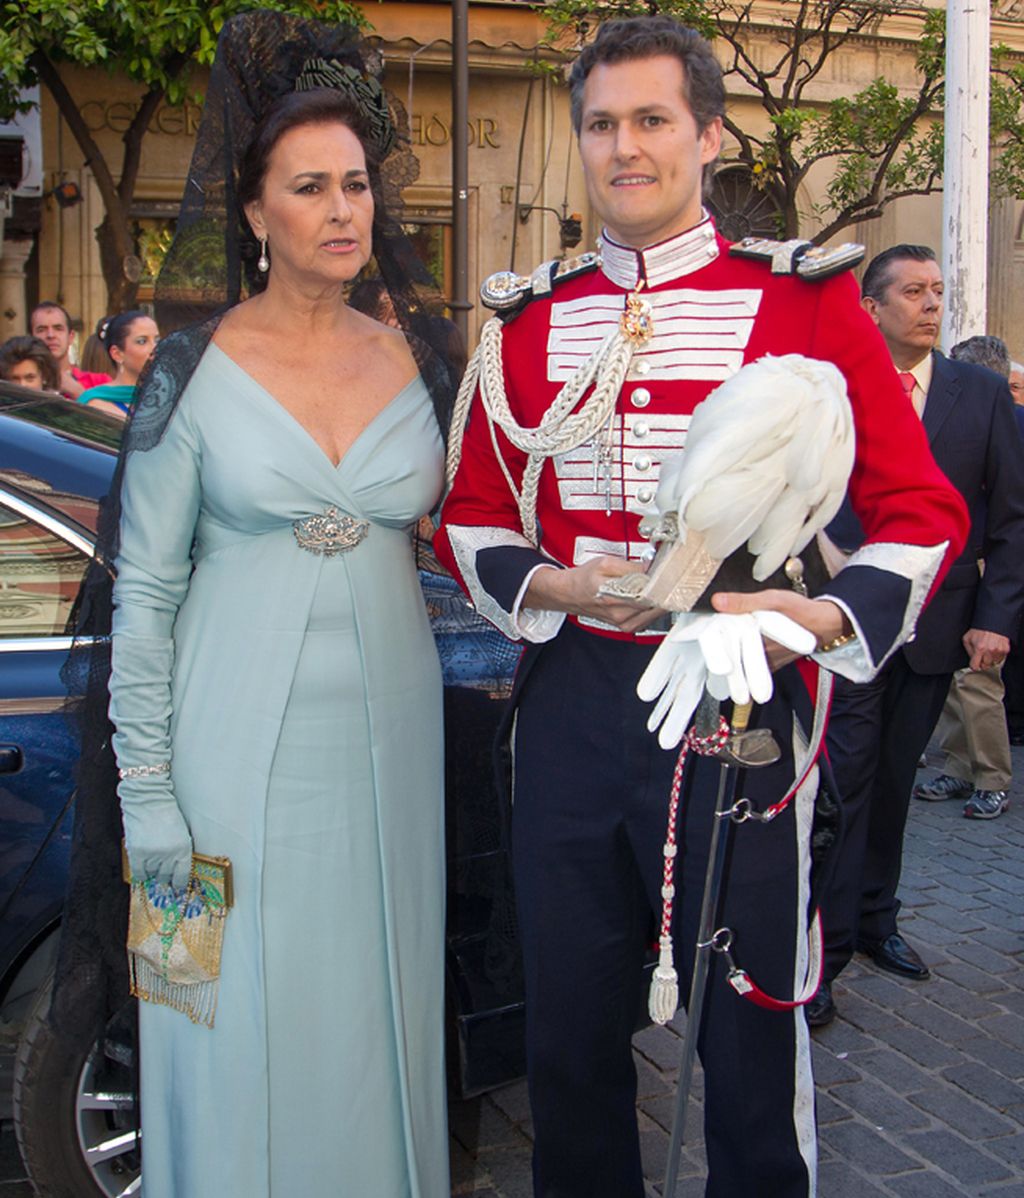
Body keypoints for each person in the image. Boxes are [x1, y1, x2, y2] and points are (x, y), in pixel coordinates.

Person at [436, 18, 967, 1198]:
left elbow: (922, 511)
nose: (624, 147)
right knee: (567, 1028)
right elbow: (469, 512)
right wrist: (553, 584)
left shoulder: (808, 301)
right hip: (576, 695)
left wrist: (804, 622)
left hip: (738, 696)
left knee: (747, 1028)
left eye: (651, 120)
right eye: (601, 123)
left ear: (707, 134)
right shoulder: (526, 319)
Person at [50, 13, 456, 1197]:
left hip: (392, 747)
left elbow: (481, 532)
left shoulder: (420, 364)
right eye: (311, 187)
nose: (344, 209)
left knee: (378, 1015)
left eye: (357, 185)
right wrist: (150, 802)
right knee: (212, 1019)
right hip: (214, 764)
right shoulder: (187, 367)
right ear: (253, 212)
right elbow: (147, 595)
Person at [811, 246, 1024, 1027]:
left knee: (896, 782)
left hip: (938, 627)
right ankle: (822, 954)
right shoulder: (833, 387)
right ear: (873, 307)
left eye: (937, 291)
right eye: (912, 292)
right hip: (845, 623)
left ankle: (877, 922)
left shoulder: (980, 393)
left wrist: (995, 618)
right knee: (846, 780)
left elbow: (1010, 516)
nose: (930, 305)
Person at [912, 335, 1015, 819]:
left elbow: (1008, 511)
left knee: (976, 682)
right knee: (947, 682)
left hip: (974, 565)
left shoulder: (1003, 418)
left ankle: (993, 777)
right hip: (933, 566)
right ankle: (957, 763)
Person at [76, 310, 160, 418]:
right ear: (117, 354)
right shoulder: (94, 404)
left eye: (157, 340)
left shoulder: (169, 398)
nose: (155, 348)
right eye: (142, 341)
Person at [28, 301, 111, 398]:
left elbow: (114, 413)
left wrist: (79, 392)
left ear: (71, 337)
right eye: (41, 330)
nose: (50, 335)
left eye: (58, 328)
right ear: (31, 337)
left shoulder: (100, 382)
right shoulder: (18, 380)